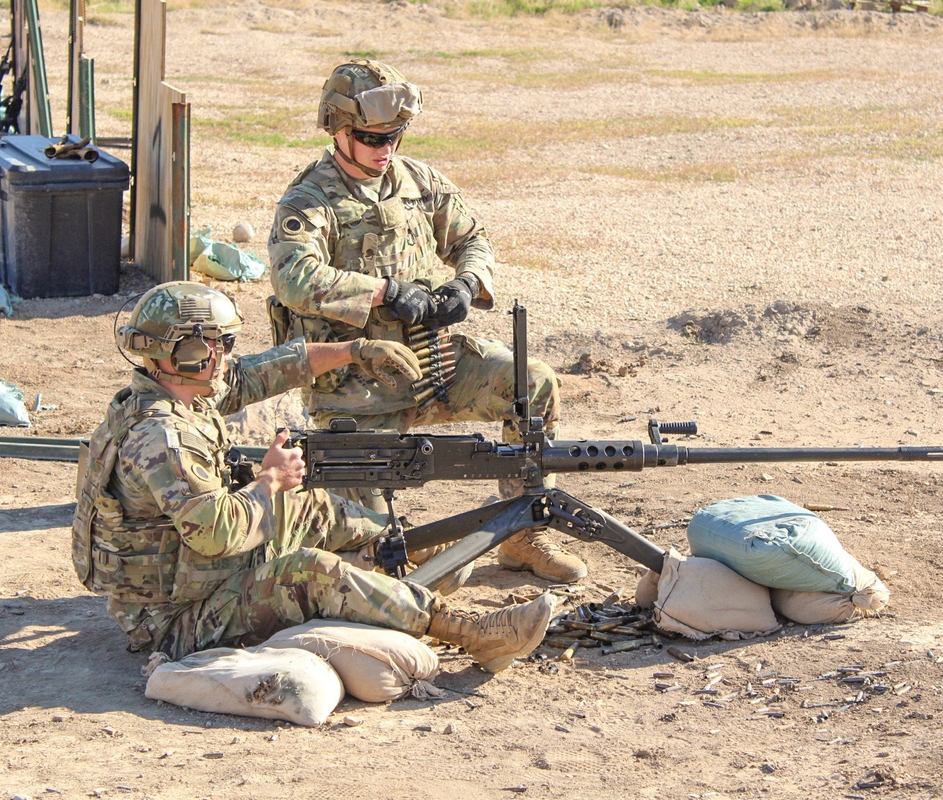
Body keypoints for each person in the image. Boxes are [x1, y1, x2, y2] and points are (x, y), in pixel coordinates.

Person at [71, 281, 555, 674]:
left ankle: (396, 557)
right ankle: (468, 631)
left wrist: (356, 350)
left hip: (194, 577)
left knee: (311, 507)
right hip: (175, 621)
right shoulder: (163, 436)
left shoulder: (181, 392)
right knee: (304, 570)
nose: (221, 355)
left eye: (225, 342)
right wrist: (268, 482)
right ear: (173, 353)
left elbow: (261, 373)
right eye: (209, 345)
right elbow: (215, 532)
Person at [267, 58, 587, 584]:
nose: (385, 147)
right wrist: (384, 293)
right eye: (372, 137)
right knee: (385, 559)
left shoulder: (416, 180)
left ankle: (524, 531)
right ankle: (389, 539)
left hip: (432, 366)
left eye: (395, 134)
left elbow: (472, 237)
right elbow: (293, 277)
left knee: (533, 385)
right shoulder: (310, 199)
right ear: (339, 131)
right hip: (356, 385)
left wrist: (467, 283)